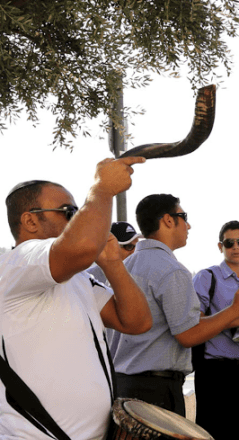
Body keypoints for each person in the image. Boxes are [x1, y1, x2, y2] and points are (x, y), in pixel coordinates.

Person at [0, 157, 152, 439]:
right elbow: (80, 248)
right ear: (30, 220)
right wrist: (102, 191)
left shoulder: (79, 278)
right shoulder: (17, 263)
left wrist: (113, 264)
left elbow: (136, 321)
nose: (78, 218)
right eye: (69, 211)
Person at [109, 194, 239, 416]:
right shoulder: (172, 270)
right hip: (156, 391)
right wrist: (235, 310)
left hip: (122, 384)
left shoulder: (126, 265)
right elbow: (188, 334)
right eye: (183, 217)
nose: (188, 225)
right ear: (169, 220)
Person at [192, 220, 239, 439]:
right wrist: (235, 318)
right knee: (210, 434)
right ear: (220, 246)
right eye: (229, 242)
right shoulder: (206, 278)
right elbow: (194, 323)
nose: (235, 247)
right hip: (214, 373)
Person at [87, 220, 142, 285]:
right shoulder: (89, 278)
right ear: (110, 247)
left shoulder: (143, 274)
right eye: (129, 246)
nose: (135, 251)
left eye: (138, 246)